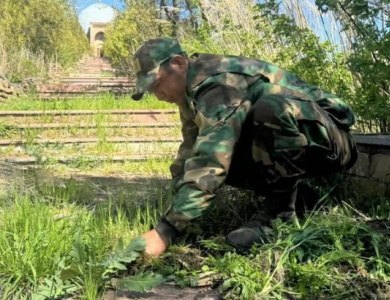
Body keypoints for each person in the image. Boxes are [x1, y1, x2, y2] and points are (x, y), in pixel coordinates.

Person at [131, 37, 358, 257]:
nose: (158, 96)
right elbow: (192, 150)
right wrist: (173, 201)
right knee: (221, 147)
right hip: (303, 144)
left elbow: (212, 160)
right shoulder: (190, 92)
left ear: (179, 63)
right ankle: (301, 200)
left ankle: (279, 218)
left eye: (157, 84)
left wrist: (165, 231)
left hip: (331, 142)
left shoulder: (217, 83)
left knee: (268, 111)